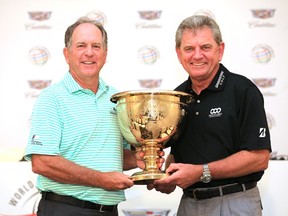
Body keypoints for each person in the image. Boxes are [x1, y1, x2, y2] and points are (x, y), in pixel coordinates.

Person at [24, 16, 156, 216]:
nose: (89, 52)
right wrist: (101, 179)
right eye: (81, 45)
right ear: (67, 54)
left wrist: (137, 159)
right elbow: (42, 162)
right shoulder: (52, 98)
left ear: (105, 53)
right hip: (65, 209)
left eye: (96, 46)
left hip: (109, 211)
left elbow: (113, 156)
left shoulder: (116, 99)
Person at [148, 15, 272, 216]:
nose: (197, 56)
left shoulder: (243, 91)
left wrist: (201, 172)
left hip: (235, 203)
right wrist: (167, 177)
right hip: (189, 204)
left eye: (205, 47)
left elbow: (259, 158)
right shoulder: (175, 98)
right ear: (179, 54)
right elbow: (177, 154)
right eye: (189, 49)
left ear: (220, 50)